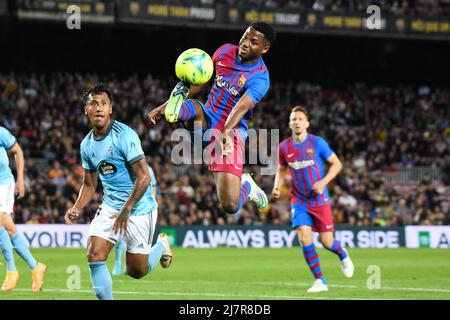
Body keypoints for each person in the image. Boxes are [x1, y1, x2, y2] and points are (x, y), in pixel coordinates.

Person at [148, 21, 276, 216]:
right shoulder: (224, 52)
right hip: (207, 117)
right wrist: (164, 106)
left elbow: (242, 106)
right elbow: (200, 84)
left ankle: (247, 186)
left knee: (230, 205)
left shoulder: (260, 78)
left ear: (264, 48)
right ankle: (175, 111)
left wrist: (225, 132)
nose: (245, 43)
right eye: (245, 36)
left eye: (253, 42)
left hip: (230, 133)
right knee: (195, 108)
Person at [64, 84, 172, 300]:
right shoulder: (86, 145)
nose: (99, 108)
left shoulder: (125, 136)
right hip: (111, 207)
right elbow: (89, 184)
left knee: (136, 271)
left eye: (104, 103)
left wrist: (127, 209)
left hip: (139, 209)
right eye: (93, 103)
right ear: (86, 110)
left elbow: (144, 177)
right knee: (94, 255)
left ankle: (161, 245)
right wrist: (77, 207)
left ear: (111, 109)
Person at [272, 106, 354, 293]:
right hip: (299, 200)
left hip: (319, 200)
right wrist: (277, 186)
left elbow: (337, 164)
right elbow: (281, 169)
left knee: (326, 242)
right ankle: (320, 281)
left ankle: (342, 254)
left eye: (300, 118)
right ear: (289, 124)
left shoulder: (317, 143)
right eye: (293, 119)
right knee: (304, 235)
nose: (297, 122)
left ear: (307, 123)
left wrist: (324, 182)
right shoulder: (284, 147)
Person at [0, 126, 47, 292]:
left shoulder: (0, 132)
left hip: (3, 183)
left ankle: (12, 271)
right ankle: (36, 267)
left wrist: (21, 180)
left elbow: (18, 151)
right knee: (9, 228)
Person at [112, 165, 158, 276]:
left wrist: (151, 201)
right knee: (119, 235)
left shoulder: (147, 168)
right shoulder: (120, 165)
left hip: (141, 209)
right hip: (123, 206)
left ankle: (126, 266)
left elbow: (152, 187)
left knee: (130, 239)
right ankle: (117, 263)